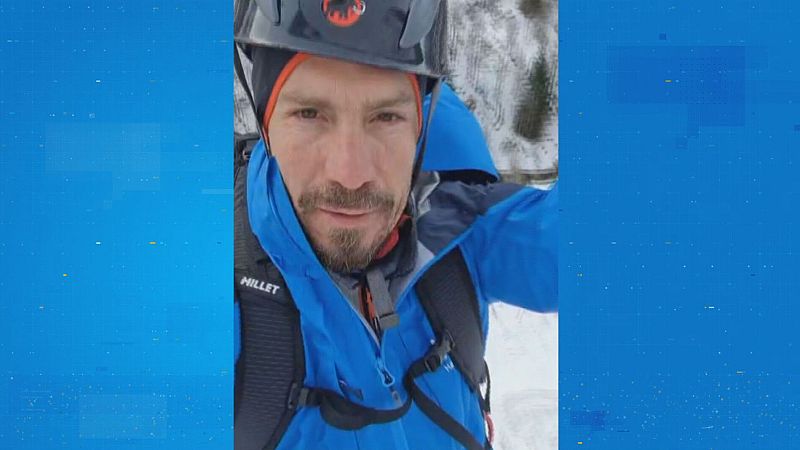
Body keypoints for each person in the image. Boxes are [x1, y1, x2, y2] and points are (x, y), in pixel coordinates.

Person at [233, 1, 557, 449]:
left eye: (386, 116)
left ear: (420, 126)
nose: (350, 174)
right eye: (309, 114)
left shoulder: (460, 228)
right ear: (266, 126)